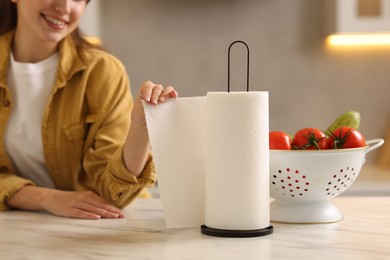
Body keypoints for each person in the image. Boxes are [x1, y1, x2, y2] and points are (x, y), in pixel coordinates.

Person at [0, 0, 178, 219]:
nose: (65, 7)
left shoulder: (103, 72)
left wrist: (141, 127)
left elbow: (114, 193)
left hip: (112, 226)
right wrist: (45, 198)